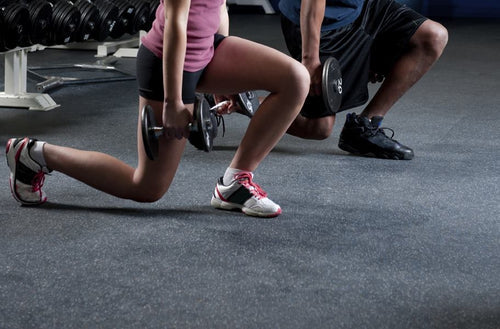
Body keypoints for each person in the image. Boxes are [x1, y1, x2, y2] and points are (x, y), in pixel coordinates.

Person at [5, 0, 310, 218]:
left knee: (295, 78)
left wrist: (222, 72)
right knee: (147, 187)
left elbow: (220, 6)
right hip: (168, 63)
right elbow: (176, 22)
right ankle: (33, 154)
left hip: (206, 49)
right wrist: (175, 101)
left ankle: (235, 183)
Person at [278, 0, 448, 160]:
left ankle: (365, 126)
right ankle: (254, 102)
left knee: (433, 36)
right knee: (317, 127)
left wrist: (373, 49)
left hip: (361, 7)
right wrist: (310, 59)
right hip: (323, 23)